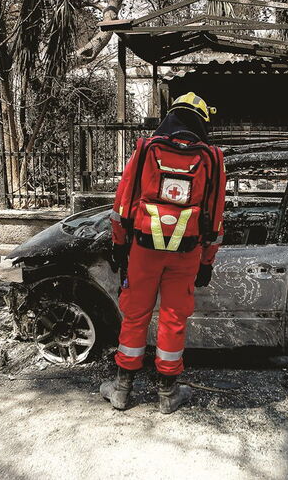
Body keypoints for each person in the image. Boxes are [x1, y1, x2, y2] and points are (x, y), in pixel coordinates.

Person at [100, 93, 227, 413]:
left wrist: (118, 245)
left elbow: (122, 206)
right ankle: (167, 395)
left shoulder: (146, 149)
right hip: (186, 253)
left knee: (136, 314)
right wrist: (207, 262)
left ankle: (121, 390)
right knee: (173, 317)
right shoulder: (211, 157)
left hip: (144, 250)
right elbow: (215, 217)